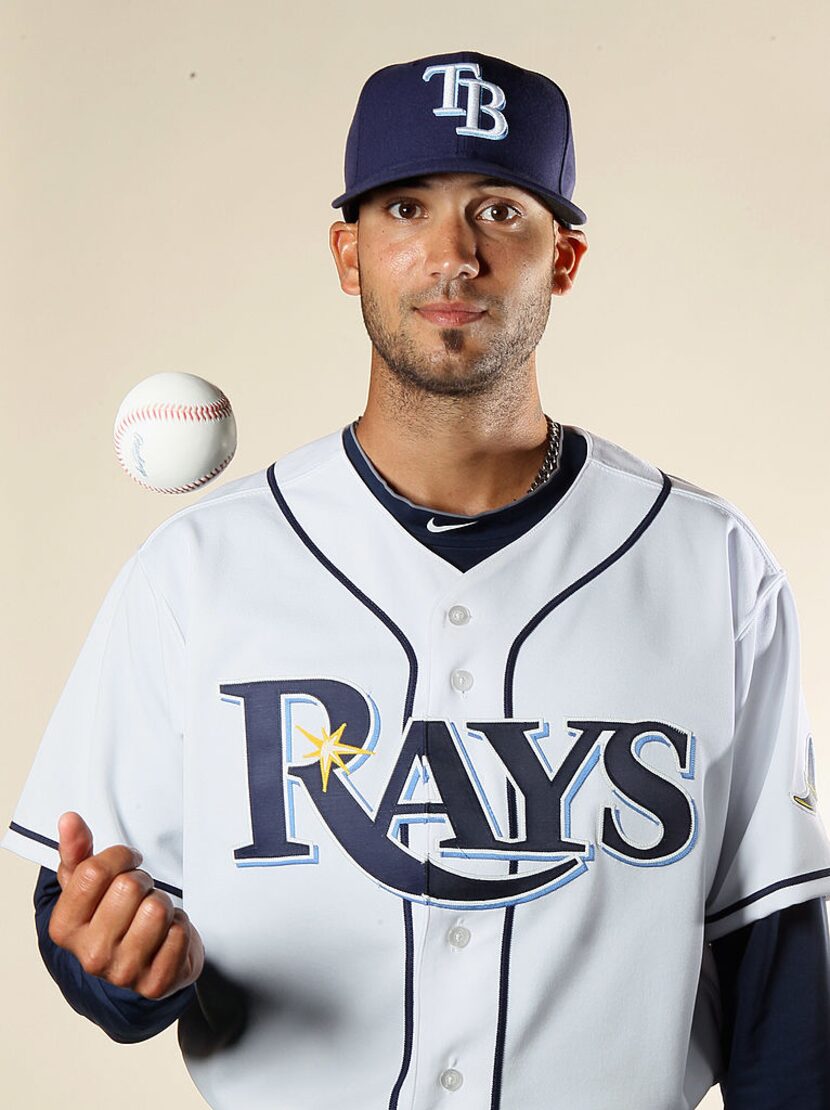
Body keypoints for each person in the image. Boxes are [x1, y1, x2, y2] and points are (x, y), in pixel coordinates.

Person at [5, 50, 830, 1110]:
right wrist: (112, 969)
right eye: (404, 208)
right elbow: (91, 917)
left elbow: (776, 960)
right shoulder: (200, 571)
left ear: (563, 258)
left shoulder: (705, 562)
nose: (451, 256)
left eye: (499, 210)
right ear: (347, 255)